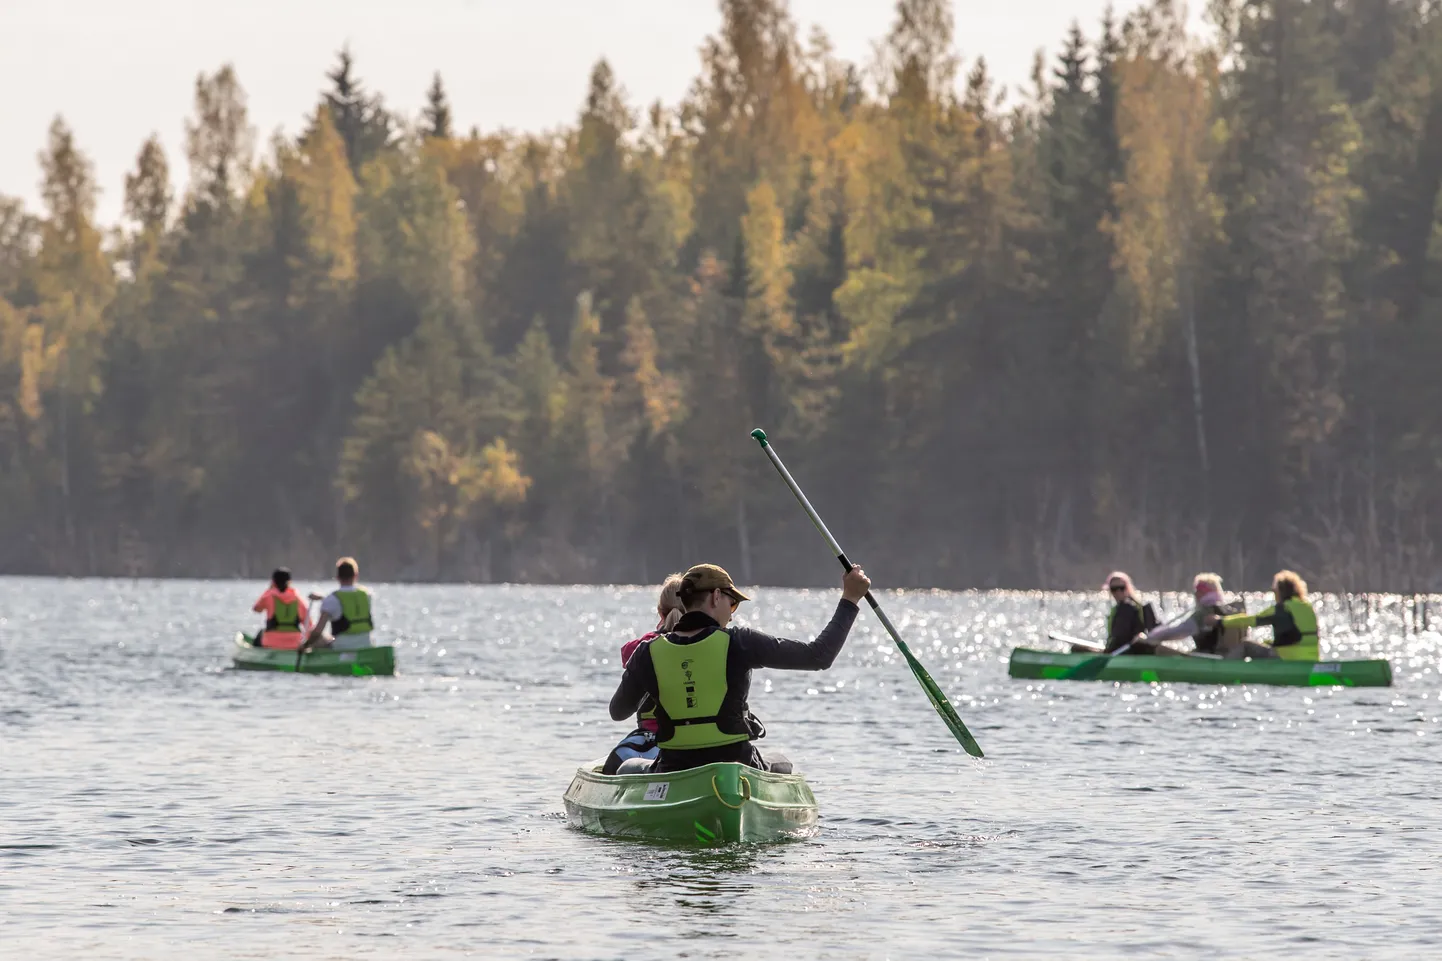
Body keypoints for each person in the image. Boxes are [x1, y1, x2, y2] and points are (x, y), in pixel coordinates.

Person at [608, 561, 870, 774]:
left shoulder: (647, 653)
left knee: (629, 767)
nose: (732, 614)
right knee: (782, 762)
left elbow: (618, 711)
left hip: (673, 767)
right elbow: (819, 656)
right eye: (732, 604)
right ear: (716, 596)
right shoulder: (740, 641)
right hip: (736, 766)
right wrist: (850, 599)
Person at [601, 574, 685, 776]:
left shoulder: (645, 648)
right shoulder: (705, 645)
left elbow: (617, 712)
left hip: (649, 742)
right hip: (694, 743)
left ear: (659, 612)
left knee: (613, 765)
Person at [1142, 573, 1275, 659]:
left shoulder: (1204, 612)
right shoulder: (1232, 610)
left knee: (1159, 649)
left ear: (1200, 593)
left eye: (1196, 592)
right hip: (1235, 657)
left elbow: (1180, 632)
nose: (1195, 595)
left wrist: (1150, 637)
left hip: (1212, 658)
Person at [1215, 570, 1319, 661]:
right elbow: (1294, 637)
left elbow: (1251, 620)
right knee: (1265, 643)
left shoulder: (1280, 609)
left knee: (1246, 645)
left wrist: (1221, 621)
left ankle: (1222, 669)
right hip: (1312, 659)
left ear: (1280, 592)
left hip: (1287, 659)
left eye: (1274, 591)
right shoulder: (1308, 607)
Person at [304, 557, 375, 651]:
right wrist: (322, 598)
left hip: (341, 648)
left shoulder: (331, 600)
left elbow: (318, 631)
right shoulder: (367, 596)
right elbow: (347, 603)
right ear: (356, 575)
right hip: (366, 645)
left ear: (337, 577)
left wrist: (304, 646)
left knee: (314, 634)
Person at [1101, 571, 1164, 653]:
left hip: (1131, 652)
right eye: (1114, 589)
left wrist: (1107, 652)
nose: (1118, 592)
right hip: (1121, 651)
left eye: (1121, 588)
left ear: (1127, 588)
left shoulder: (1128, 608)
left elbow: (1120, 637)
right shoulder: (1117, 609)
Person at [250, 568, 309, 649]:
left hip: (271, 643)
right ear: (290, 582)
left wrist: (269, 590)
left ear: (273, 582)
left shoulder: (269, 596)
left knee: (260, 633)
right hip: (295, 643)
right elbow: (308, 625)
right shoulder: (298, 599)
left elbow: (256, 609)